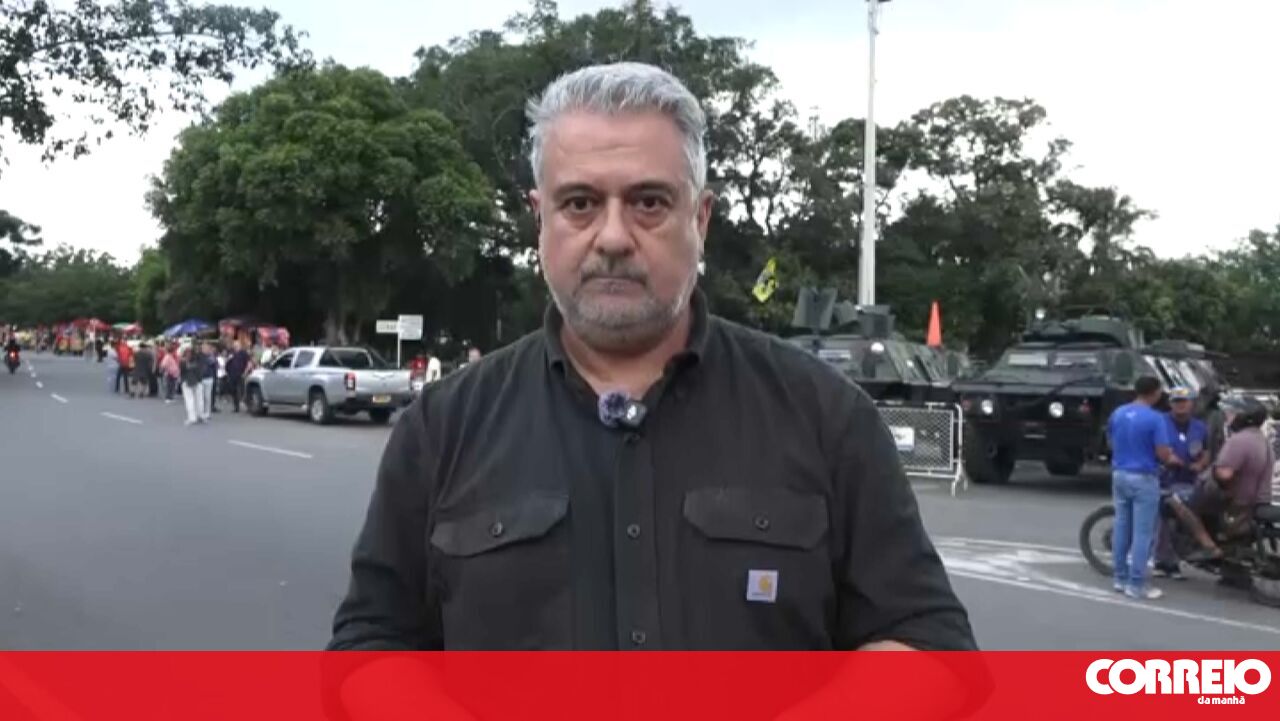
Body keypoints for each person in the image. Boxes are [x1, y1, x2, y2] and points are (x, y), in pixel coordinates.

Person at [328, 62, 975, 652]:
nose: (612, 237)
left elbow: (927, 641)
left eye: (648, 203)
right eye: (580, 204)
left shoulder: (827, 417)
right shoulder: (442, 428)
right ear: (539, 219)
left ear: (702, 219)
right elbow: (370, 644)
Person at [1106, 376, 1177, 600]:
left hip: (1120, 474)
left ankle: (1119, 578)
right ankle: (1136, 584)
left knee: (1121, 527)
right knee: (1143, 533)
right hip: (1144, 477)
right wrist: (1171, 459)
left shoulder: (1118, 413)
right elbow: (1163, 453)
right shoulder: (1156, 419)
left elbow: (1110, 441)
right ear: (1155, 393)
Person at [1154, 387, 1217, 579]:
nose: (1180, 405)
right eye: (1176, 401)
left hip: (1189, 480)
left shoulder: (1200, 427)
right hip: (1163, 479)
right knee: (1168, 514)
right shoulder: (1160, 423)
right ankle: (1164, 561)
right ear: (1170, 404)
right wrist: (1169, 459)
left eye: (1184, 401)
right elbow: (1155, 447)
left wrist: (1201, 464)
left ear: (1192, 404)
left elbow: (1206, 451)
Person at [1208, 396, 1275, 543]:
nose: (1227, 417)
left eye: (1232, 413)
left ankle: (1208, 546)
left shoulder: (1238, 441)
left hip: (1239, 505)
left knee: (1186, 505)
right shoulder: (1261, 439)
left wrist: (1212, 470)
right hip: (1259, 501)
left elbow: (1224, 474)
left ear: (1243, 417)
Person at [179, 346, 207, 425]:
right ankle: (200, 415)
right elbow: (201, 370)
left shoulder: (183, 361)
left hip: (187, 381)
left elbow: (182, 371)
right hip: (197, 381)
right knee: (199, 400)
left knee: (190, 400)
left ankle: (192, 417)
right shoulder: (198, 360)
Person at [224, 340, 253, 412]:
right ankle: (236, 407)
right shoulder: (231, 353)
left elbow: (249, 363)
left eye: (236, 345)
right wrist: (228, 359)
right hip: (232, 374)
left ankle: (246, 405)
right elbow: (226, 363)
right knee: (233, 390)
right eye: (234, 345)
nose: (235, 347)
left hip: (241, 374)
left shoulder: (244, 353)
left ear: (240, 346)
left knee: (241, 390)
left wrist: (245, 372)